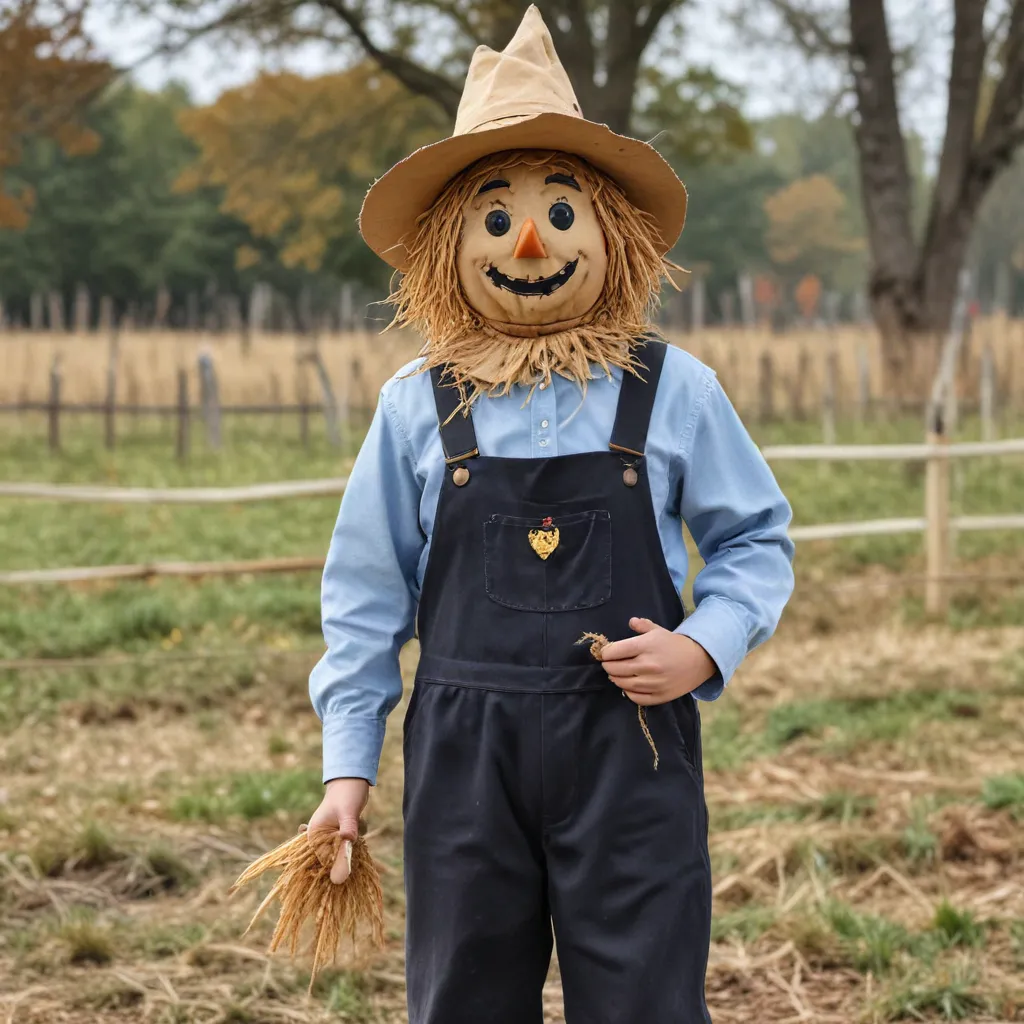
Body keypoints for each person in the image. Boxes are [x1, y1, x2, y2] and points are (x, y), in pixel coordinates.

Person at [307, 8, 794, 1022]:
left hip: (633, 747)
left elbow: (755, 540)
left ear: (609, 231)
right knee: (463, 997)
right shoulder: (418, 403)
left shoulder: (672, 389)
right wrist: (348, 764)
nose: (529, 239)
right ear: (449, 245)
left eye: (559, 213)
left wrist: (703, 647)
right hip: (462, 758)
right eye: (495, 218)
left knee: (646, 996)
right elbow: (363, 594)